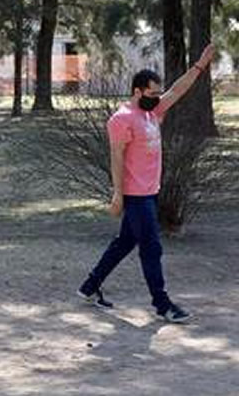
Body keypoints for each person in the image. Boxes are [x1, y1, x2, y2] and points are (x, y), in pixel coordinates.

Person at [77, 43, 216, 323]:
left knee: (124, 243)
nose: (156, 98)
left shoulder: (153, 112)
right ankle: (162, 304)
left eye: (157, 93)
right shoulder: (122, 120)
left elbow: (178, 90)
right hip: (135, 195)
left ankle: (90, 286)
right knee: (151, 247)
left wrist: (200, 66)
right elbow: (116, 158)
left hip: (150, 193)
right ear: (137, 91)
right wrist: (118, 194)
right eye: (151, 94)